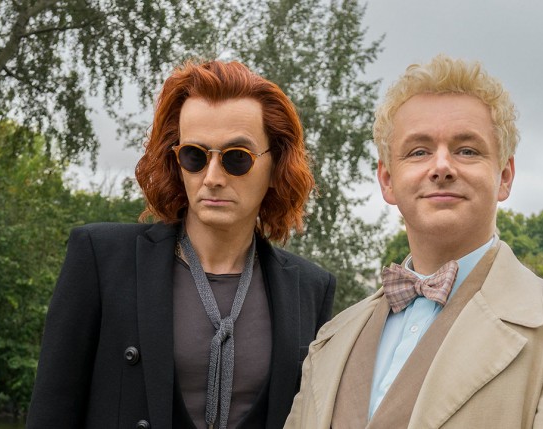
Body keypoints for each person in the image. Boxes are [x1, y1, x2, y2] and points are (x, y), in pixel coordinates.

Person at [285, 54, 543, 428]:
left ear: (505, 176)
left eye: (467, 150)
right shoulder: (331, 340)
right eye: (419, 151)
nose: (442, 167)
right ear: (387, 181)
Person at [27, 60, 336, 429]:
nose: (212, 177)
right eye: (195, 156)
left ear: (276, 166)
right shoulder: (101, 258)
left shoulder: (310, 288)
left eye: (238, 158)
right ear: (176, 162)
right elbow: (51, 411)